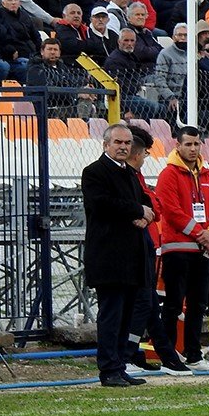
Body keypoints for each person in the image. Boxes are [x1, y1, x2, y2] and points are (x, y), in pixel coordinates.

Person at [81, 124, 155, 387]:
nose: (123, 147)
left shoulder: (130, 174)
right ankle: (108, 369)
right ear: (106, 145)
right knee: (111, 314)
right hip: (108, 257)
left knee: (125, 315)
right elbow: (102, 204)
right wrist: (137, 210)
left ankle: (119, 366)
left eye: (126, 143)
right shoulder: (94, 173)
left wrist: (145, 215)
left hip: (131, 257)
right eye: (118, 142)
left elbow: (147, 203)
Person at [121, 125, 193, 375]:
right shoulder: (127, 177)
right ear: (136, 153)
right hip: (135, 250)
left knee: (150, 305)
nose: (144, 158)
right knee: (142, 304)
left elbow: (155, 206)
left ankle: (166, 355)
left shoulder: (136, 177)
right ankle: (127, 355)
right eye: (144, 153)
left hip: (149, 247)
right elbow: (153, 206)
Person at [155, 126, 209, 373]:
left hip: (202, 250)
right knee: (173, 304)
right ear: (178, 146)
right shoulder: (168, 174)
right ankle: (168, 355)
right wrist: (201, 234)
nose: (193, 149)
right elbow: (171, 211)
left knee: (198, 304)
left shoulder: (206, 175)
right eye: (188, 144)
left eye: (197, 144)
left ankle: (193, 354)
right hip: (177, 249)